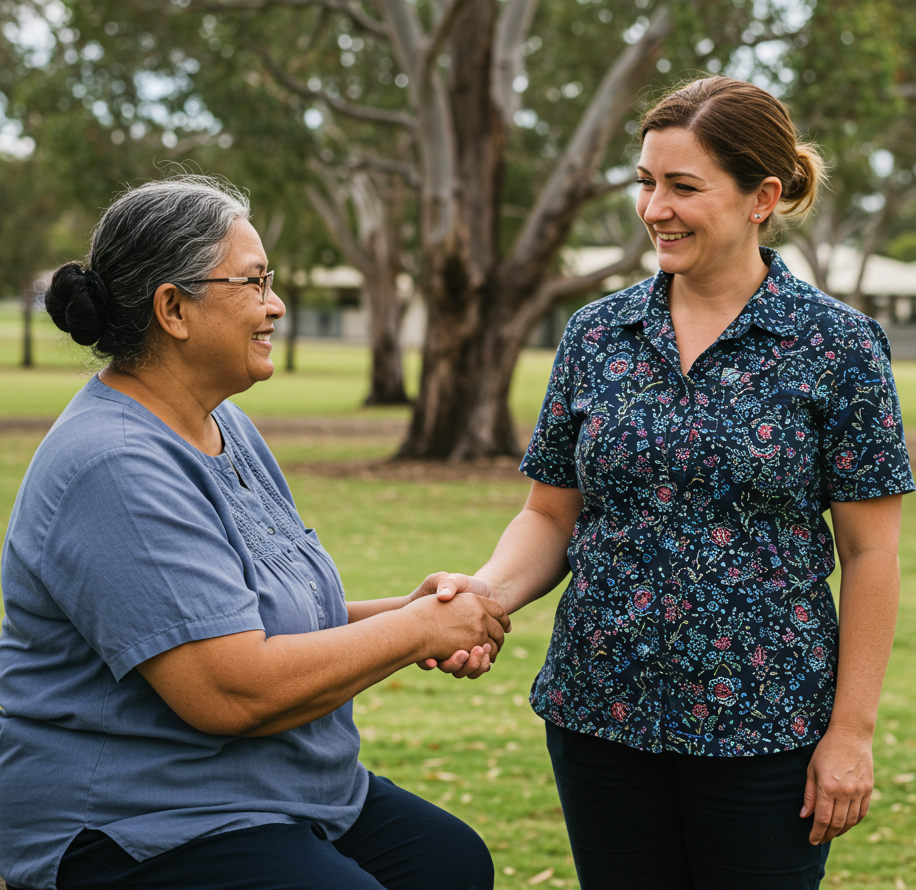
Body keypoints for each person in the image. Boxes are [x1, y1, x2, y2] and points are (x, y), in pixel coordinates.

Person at [426, 76, 914, 888]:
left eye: (684, 187)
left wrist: (851, 733)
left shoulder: (840, 348)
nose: (655, 208)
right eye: (646, 182)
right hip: (599, 715)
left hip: (765, 724)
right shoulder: (596, 334)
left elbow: (872, 554)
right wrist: (483, 600)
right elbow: (549, 516)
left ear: (762, 196)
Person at [0, 175, 510, 890]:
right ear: (173, 308)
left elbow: (255, 622)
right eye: (253, 282)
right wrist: (418, 631)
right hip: (136, 818)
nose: (275, 306)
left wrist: (414, 611)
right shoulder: (113, 462)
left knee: (450, 863)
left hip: (273, 791)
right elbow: (227, 691)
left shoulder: (224, 425)